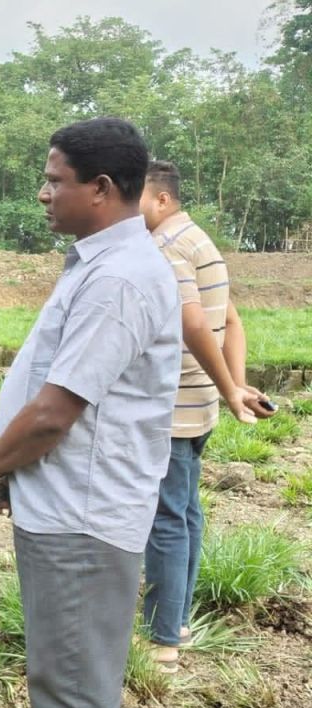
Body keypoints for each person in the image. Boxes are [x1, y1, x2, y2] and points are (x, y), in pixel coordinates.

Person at [0, 117, 182, 708]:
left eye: (53, 180)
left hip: (81, 524)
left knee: (73, 698)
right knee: (65, 684)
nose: (43, 192)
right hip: (66, 510)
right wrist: (6, 455)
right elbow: (51, 393)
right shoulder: (100, 266)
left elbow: (53, 415)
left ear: (101, 188)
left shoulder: (118, 279)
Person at [137, 160, 275, 671]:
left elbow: (193, 323)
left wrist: (230, 389)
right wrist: (233, 386)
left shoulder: (166, 248)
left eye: (140, 200)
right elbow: (230, 319)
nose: (134, 211)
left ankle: (164, 639)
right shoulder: (200, 241)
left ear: (163, 200)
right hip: (201, 407)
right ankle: (180, 618)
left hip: (174, 406)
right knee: (187, 511)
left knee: (166, 519)